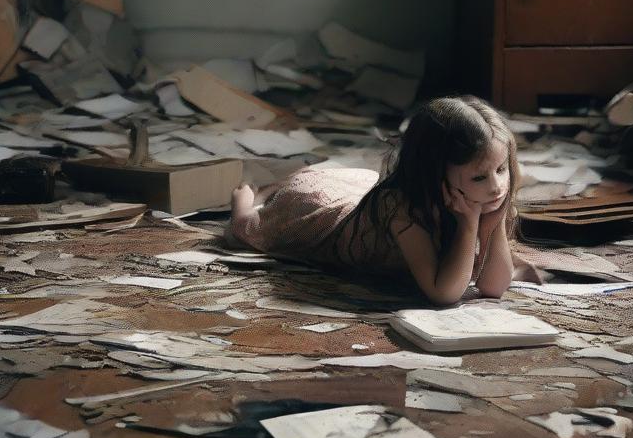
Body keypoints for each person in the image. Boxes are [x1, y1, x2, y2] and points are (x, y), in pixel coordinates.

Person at [225, 95, 528, 305]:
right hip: (322, 220)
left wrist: (493, 222)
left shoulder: (482, 198)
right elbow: (443, 293)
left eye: (501, 169)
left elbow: (493, 287)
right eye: (479, 177)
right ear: (435, 174)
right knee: (246, 230)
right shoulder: (403, 209)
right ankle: (248, 195)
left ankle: (290, 179)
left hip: (361, 199)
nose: (496, 186)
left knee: (351, 184)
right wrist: (469, 223)